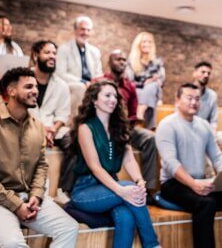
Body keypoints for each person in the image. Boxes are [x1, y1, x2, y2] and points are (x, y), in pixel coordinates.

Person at [0, 67, 78, 247]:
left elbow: (42, 166)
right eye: (28, 87)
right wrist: (16, 205)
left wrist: (36, 195)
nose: (35, 91)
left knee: (69, 228)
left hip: (26, 197)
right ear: (11, 91)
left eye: (35, 87)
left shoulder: (38, 127)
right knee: (14, 244)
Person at [156, 83, 222, 248]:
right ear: (177, 100)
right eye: (189, 97)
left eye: (197, 99)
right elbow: (171, 163)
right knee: (206, 203)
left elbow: (217, 157)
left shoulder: (203, 125)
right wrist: (193, 184)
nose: (194, 102)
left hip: (200, 180)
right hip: (172, 184)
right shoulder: (166, 125)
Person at [68, 80, 160, 248]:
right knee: (128, 187)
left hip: (111, 187)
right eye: (107, 95)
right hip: (85, 191)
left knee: (126, 217)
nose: (113, 99)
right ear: (94, 100)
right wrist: (122, 190)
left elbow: (129, 159)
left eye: (115, 96)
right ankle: (152, 245)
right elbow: (95, 167)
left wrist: (140, 182)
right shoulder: (85, 128)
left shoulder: (119, 126)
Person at [95, 49, 158, 198]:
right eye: (118, 59)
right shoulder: (99, 82)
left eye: (124, 60)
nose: (122, 62)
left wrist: (125, 129)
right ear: (109, 62)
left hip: (126, 128)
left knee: (150, 138)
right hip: (103, 128)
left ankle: (148, 190)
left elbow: (133, 114)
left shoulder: (129, 86)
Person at [193, 61, 222, 168]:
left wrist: (212, 133)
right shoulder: (187, 92)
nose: (206, 75)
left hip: (209, 132)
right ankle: (213, 173)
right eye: (203, 72)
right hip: (193, 133)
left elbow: (214, 120)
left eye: (208, 73)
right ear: (194, 73)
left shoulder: (212, 95)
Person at [56, 16, 103, 117]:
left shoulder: (95, 51)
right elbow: (60, 73)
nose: (85, 32)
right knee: (80, 88)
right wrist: (84, 82)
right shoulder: (64, 49)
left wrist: (95, 83)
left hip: (91, 85)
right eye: (82, 29)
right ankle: (74, 121)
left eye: (88, 30)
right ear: (75, 30)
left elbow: (99, 73)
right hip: (72, 84)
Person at [28, 40, 71, 147]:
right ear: (35, 56)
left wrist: (53, 129)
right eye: (47, 53)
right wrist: (40, 129)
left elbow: (63, 115)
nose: (52, 56)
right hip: (27, 127)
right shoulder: (23, 80)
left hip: (52, 130)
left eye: (54, 53)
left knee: (72, 138)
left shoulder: (62, 85)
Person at [125, 32, 165, 129]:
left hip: (155, 90)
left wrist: (154, 81)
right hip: (137, 90)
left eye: (149, 42)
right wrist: (144, 83)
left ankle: (139, 112)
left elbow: (162, 80)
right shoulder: (131, 61)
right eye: (144, 41)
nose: (147, 44)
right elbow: (130, 81)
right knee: (147, 94)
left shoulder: (157, 61)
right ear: (138, 44)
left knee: (153, 86)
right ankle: (150, 127)